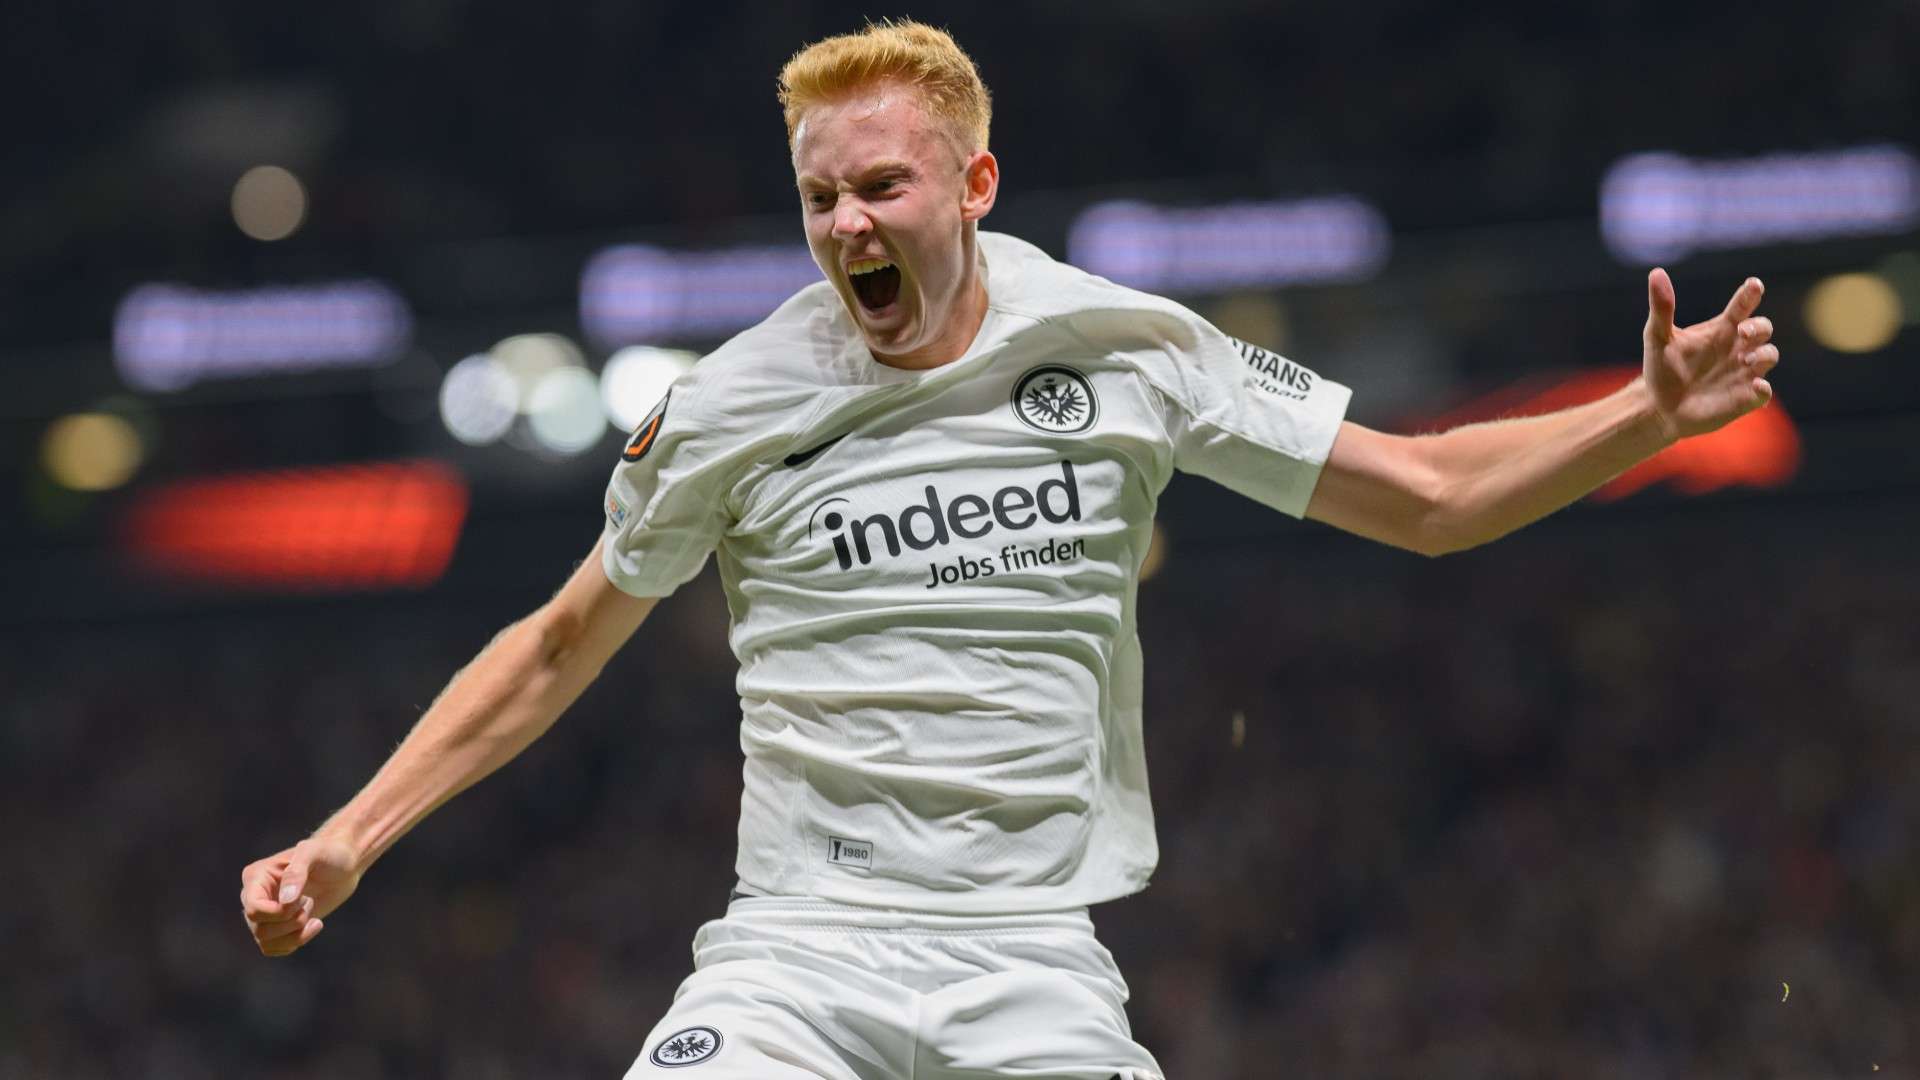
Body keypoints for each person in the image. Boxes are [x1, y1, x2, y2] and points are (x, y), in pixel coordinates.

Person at [239, 20, 1781, 1079]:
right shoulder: (726, 405)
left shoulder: (1133, 346)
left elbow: (1431, 494)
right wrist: (354, 834)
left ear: (972, 186)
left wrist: (1637, 419)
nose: (848, 224)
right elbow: (560, 640)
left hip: (1032, 957)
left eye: (881, 187)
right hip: (798, 955)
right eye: (819, 196)